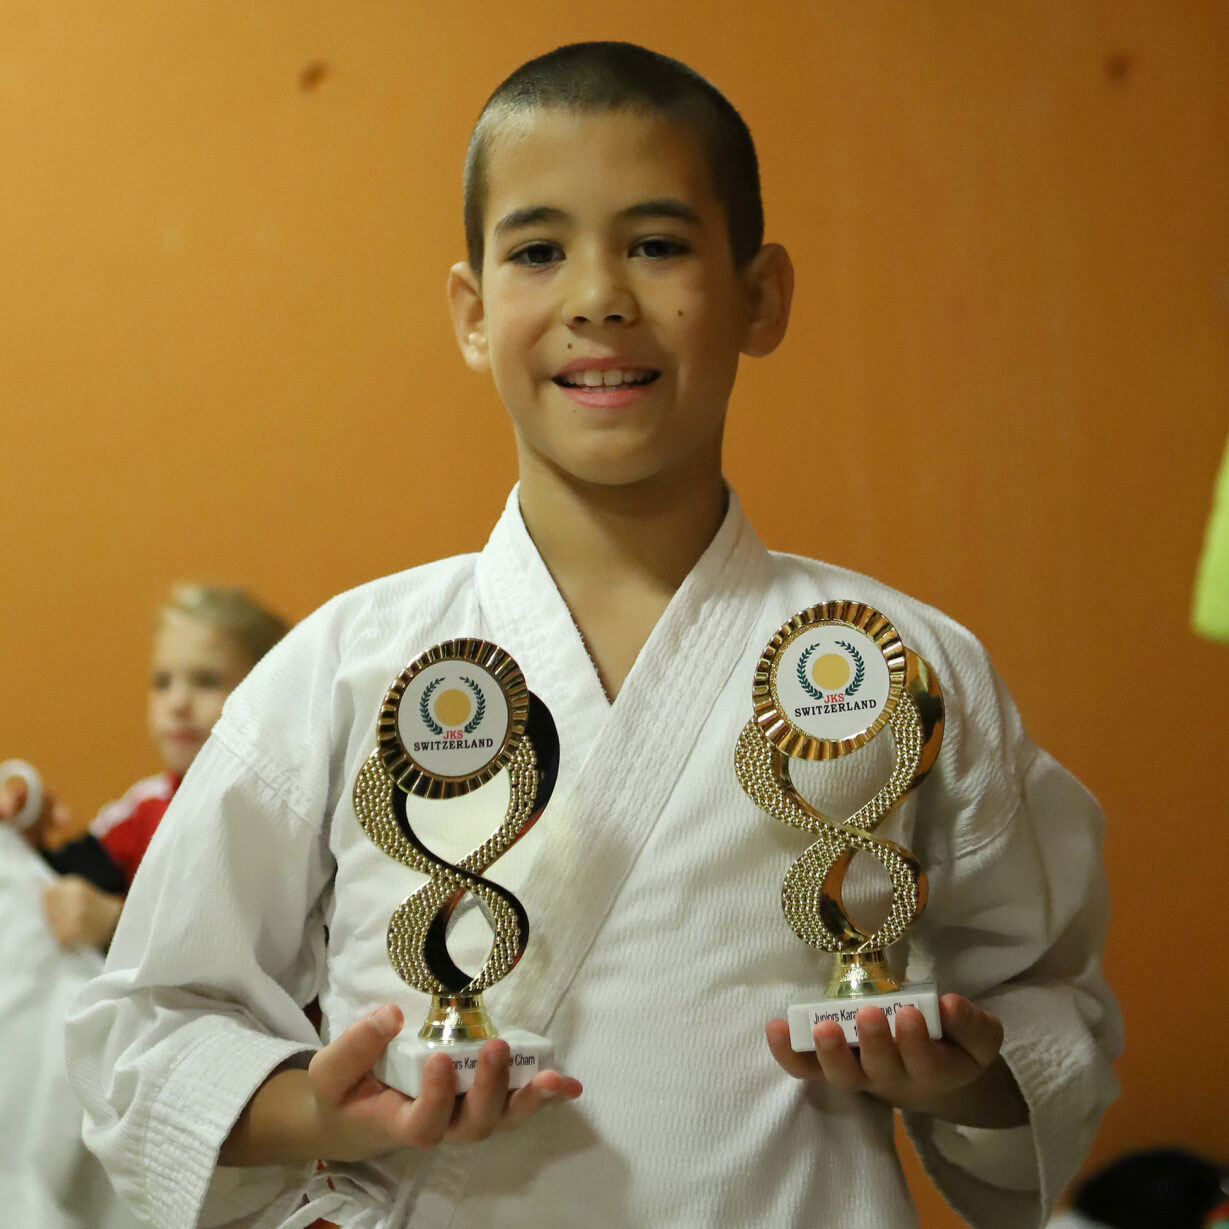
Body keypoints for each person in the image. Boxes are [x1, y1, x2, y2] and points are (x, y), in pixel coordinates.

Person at [65, 43, 1121, 1229]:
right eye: (536, 250)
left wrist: (957, 1063)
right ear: (471, 312)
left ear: (759, 293)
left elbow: (1045, 1005)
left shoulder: (899, 661)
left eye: (657, 244)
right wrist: (324, 1109)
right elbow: (147, 1026)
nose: (598, 296)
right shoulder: (345, 664)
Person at [1, 583, 289, 948]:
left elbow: (246, 952)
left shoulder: (285, 819)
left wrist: (117, 926)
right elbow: (59, 882)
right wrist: (25, 836)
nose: (178, 703)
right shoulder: (143, 810)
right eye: (162, 682)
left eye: (207, 681)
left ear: (270, 689)